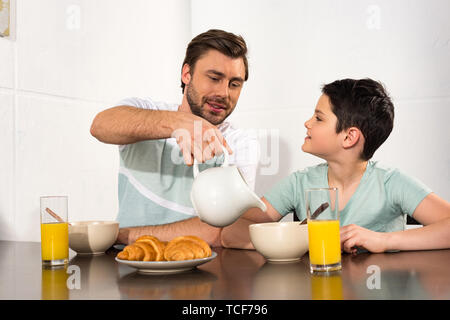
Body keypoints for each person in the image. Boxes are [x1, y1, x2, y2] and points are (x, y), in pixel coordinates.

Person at [224, 78, 450, 252]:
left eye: (319, 118)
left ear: (349, 137)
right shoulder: (299, 183)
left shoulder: (391, 182)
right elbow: (231, 233)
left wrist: (382, 240)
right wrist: (309, 239)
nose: (307, 123)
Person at [90, 29, 258, 246]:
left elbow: (222, 229)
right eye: (214, 78)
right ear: (186, 74)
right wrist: (179, 123)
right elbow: (100, 125)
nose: (224, 93)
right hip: (127, 265)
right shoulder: (147, 110)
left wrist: (121, 235)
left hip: (201, 269)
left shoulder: (240, 143)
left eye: (234, 84)